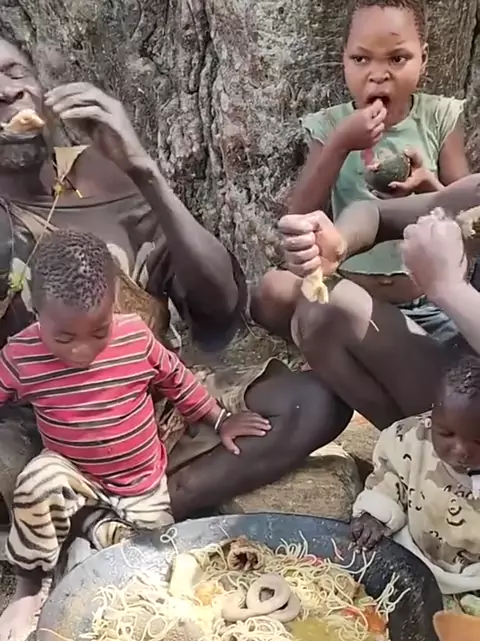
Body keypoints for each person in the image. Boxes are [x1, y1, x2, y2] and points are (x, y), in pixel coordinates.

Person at [0, 38, 351, 525]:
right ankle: (97, 511)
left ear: (40, 86)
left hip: (150, 407)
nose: (7, 92)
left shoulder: (101, 174)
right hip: (46, 429)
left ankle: (139, 514)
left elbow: (220, 310)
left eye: (15, 72)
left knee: (312, 402)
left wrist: (143, 170)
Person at [0, 229, 272, 641]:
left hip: (141, 484)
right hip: (74, 475)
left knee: (147, 561)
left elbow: (178, 380)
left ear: (114, 303)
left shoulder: (134, 338)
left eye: (99, 331)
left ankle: (95, 531)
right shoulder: (21, 356)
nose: (82, 350)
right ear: (36, 314)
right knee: (36, 482)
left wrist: (219, 420)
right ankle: (30, 588)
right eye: (64, 338)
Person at [252, 0, 470, 340]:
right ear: (344, 60)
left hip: (430, 301)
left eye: (397, 58)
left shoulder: (439, 117)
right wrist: (340, 145)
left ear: (423, 58)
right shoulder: (333, 125)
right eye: (361, 59)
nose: (378, 74)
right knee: (271, 291)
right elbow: (299, 216)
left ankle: (387, 354)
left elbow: (470, 221)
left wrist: (427, 186)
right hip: (355, 297)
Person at [278, 177, 480, 430]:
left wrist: (450, 288)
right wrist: (340, 243)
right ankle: (405, 441)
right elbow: (376, 213)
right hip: (459, 378)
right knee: (326, 308)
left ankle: (441, 443)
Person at [351, 354, 480, 641]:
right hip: (413, 553)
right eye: (446, 433)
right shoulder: (411, 440)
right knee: (377, 600)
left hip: (472, 576)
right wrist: (374, 515)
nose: (460, 450)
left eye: (479, 440)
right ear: (432, 415)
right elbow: (390, 476)